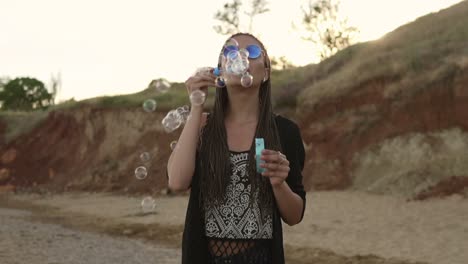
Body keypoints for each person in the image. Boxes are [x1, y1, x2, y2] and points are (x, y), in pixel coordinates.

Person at [167, 32, 306, 264]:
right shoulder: (202, 125)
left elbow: (294, 215)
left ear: (266, 72)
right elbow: (177, 182)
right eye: (230, 52)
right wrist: (196, 106)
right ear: (219, 70)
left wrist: (279, 184)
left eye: (251, 52)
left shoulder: (285, 131)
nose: (240, 57)